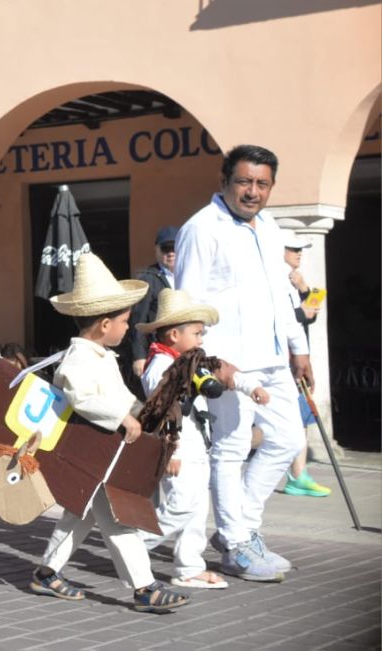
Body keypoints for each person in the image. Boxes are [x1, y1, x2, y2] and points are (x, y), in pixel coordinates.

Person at [175, 144, 309, 581]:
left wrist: (298, 346)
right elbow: (188, 301)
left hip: (272, 358)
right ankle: (236, 545)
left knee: (287, 440)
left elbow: (280, 294)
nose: (253, 192)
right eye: (244, 182)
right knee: (231, 450)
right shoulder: (201, 228)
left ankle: (240, 527)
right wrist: (208, 361)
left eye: (262, 184)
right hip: (229, 363)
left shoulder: (269, 227)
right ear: (225, 181)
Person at [27, 253, 187, 613]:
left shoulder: (99, 355)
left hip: (101, 453)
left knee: (79, 514)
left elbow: (119, 397)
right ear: (103, 325)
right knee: (116, 518)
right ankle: (144, 587)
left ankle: (46, 572)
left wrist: (138, 414)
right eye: (125, 321)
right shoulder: (78, 358)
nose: (128, 328)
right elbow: (80, 396)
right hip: (91, 450)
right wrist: (121, 417)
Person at [136, 289, 268, 589]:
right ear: (173, 334)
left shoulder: (190, 360)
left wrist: (249, 386)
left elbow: (220, 369)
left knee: (196, 509)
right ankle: (133, 543)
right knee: (180, 505)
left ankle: (189, 567)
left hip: (197, 442)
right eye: (196, 333)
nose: (201, 339)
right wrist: (173, 451)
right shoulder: (159, 367)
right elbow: (164, 411)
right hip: (178, 444)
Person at [278, 229, 330, 498]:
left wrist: (304, 289)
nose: (298, 253)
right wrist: (301, 311)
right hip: (283, 360)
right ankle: (296, 474)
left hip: (300, 357)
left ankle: (299, 474)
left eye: (300, 249)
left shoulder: (295, 278)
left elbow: (314, 311)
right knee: (293, 418)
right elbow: (277, 318)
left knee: (303, 417)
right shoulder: (273, 277)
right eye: (292, 248)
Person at [126, 226, 178, 388]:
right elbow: (138, 320)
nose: (170, 253)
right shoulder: (148, 278)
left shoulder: (187, 274)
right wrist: (139, 356)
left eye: (174, 248)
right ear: (157, 250)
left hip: (182, 348)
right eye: (165, 248)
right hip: (158, 351)